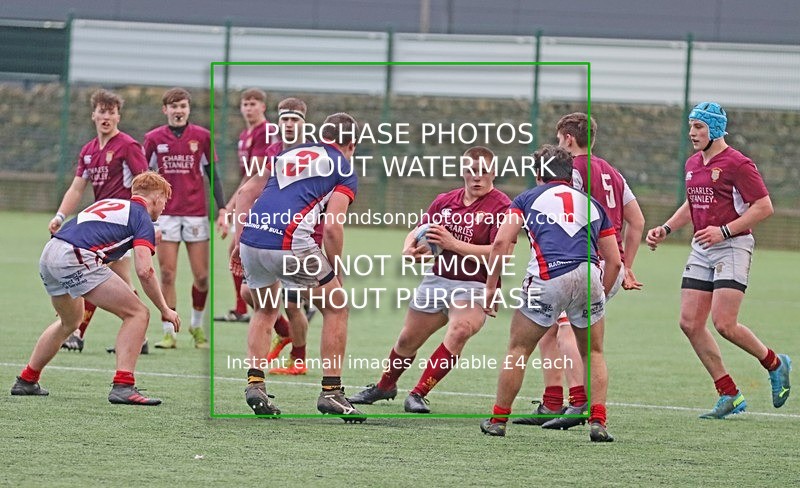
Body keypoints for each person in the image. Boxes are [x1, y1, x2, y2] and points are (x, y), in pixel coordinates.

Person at [646, 102, 791, 419]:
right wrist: (666, 228)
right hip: (702, 247)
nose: (692, 132)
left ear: (714, 129)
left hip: (733, 246)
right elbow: (692, 203)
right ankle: (729, 394)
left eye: (698, 127)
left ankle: (775, 363)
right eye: (691, 126)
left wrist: (723, 231)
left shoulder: (738, 163)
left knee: (724, 323)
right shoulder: (693, 163)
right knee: (689, 323)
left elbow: (764, 206)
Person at [349, 146, 512, 413]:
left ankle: (418, 393)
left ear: (494, 172)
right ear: (462, 171)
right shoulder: (445, 201)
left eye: (483, 171)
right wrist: (408, 248)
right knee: (406, 341)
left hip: (474, 286)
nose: (477, 177)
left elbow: (500, 253)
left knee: (460, 330)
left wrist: (453, 243)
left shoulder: (502, 206)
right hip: (437, 280)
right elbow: (418, 230)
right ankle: (385, 386)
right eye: (471, 170)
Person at [479, 144, 621, 441]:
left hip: (548, 277)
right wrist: (600, 296)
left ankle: (497, 420)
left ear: (538, 174)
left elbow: (501, 243)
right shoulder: (593, 204)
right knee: (593, 352)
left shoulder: (526, 198)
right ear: (570, 175)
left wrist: (492, 286)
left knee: (518, 349)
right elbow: (615, 261)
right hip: (589, 275)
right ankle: (598, 422)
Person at [516, 112, 645, 429]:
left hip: (581, 262)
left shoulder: (572, 170)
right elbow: (637, 220)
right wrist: (626, 265)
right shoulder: (612, 172)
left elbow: (568, 215)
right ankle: (552, 402)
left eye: (559, 139)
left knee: (566, 330)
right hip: (609, 263)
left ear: (568, 139)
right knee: (548, 328)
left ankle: (579, 403)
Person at [234, 112, 363, 421]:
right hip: (290, 242)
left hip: (252, 239)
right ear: (352, 144)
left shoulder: (288, 151)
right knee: (337, 306)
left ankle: (255, 384)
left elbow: (245, 193)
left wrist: (240, 243)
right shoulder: (344, 167)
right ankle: (332, 392)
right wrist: (336, 270)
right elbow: (332, 228)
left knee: (265, 309)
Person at [11, 172, 180, 405]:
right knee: (138, 313)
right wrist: (165, 309)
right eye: (165, 200)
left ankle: (27, 380)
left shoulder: (112, 204)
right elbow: (145, 271)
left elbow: (96, 242)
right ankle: (123, 385)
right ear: (157, 197)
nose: (164, 207)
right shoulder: (141, 217)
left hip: (50, 252)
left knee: (70, 321)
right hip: (74, 257)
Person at [51, 89, 150, 353]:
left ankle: (77, 333)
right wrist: (60, 216)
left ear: (119, 116)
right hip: (99, 225)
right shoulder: (88, 150)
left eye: (111, 112)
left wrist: (149, 223)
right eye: (102, 112)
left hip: (121, 226)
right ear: (93, 115)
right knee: (123, 282)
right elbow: (76, 188)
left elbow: (146, 184)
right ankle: (140, 337)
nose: (106, 117)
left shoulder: (128, 146)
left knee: (91, 273)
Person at [143, 87, 227, 349]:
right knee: (167, 274)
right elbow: (143, 178)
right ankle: (169, 330)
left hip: (195, 215)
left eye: (182, 106)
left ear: (188, 109)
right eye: (173, 106)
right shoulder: (153, 139)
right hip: (165, 215)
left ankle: (196, 325)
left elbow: (213, 175)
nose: (178, 111)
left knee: (202, 277)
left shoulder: (202, 137)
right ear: (165, 110)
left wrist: (222, 208)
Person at [215, 88, 278, 323]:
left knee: (246, 249)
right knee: (239, 248)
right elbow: (247, 177)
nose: (249, 108)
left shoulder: (266, 131)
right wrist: (232, 205)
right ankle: (242, 308)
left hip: (266, 196)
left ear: (263, 106)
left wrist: (230, 207)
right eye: (245, 104)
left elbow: (256, 174)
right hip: (252, 196)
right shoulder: (244, 134)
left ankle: (299, 302)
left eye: (254, 103)